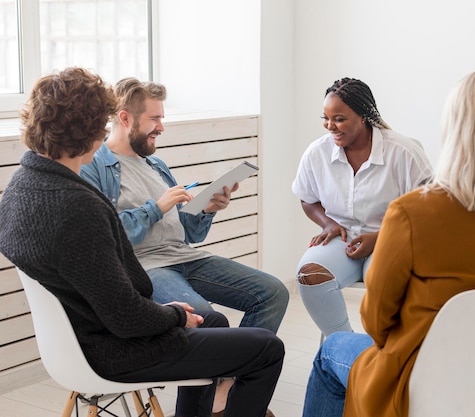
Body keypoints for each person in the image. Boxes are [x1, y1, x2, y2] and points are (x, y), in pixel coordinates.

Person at [0, 67, 284, 417]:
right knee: (267, 348)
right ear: (89, 131)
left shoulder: (19, 188)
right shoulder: (78, 204)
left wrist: (203, 211)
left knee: (215, 321)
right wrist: (174, 315)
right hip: (112, 348)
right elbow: (126, 316)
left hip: (81, 338)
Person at [300, 69, 475, 417]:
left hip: (428, 383)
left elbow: (376, 320)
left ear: (453, 129)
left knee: (331, 350)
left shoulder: (414, 213)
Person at [292, 77, 433, 337]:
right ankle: (343, 345)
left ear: (363, 116)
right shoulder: (317, 153)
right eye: (325, 118)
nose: (330, 126)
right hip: (342, 239)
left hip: (394, 239)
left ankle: (383, 350)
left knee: (385, 281)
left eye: (339, 119)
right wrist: (329, 223)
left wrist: (382, 237)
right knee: (309, 276)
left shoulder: (403, 151)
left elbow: (428, 211)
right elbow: (307, 198)